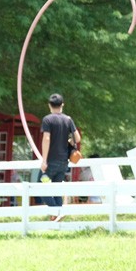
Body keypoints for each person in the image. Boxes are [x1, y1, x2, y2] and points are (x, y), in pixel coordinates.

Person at [40, 93, 80, 221]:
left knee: (40, 187)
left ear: (49, 105)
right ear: (62, 105)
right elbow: (77, 138)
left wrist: (44, 160)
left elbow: (46, 138)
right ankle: (58, 212)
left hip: (51, 162)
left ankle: (56, 211)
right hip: (63, 162)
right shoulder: (68, 119)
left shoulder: (47, 119)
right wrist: (68, 142)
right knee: (56, 188)